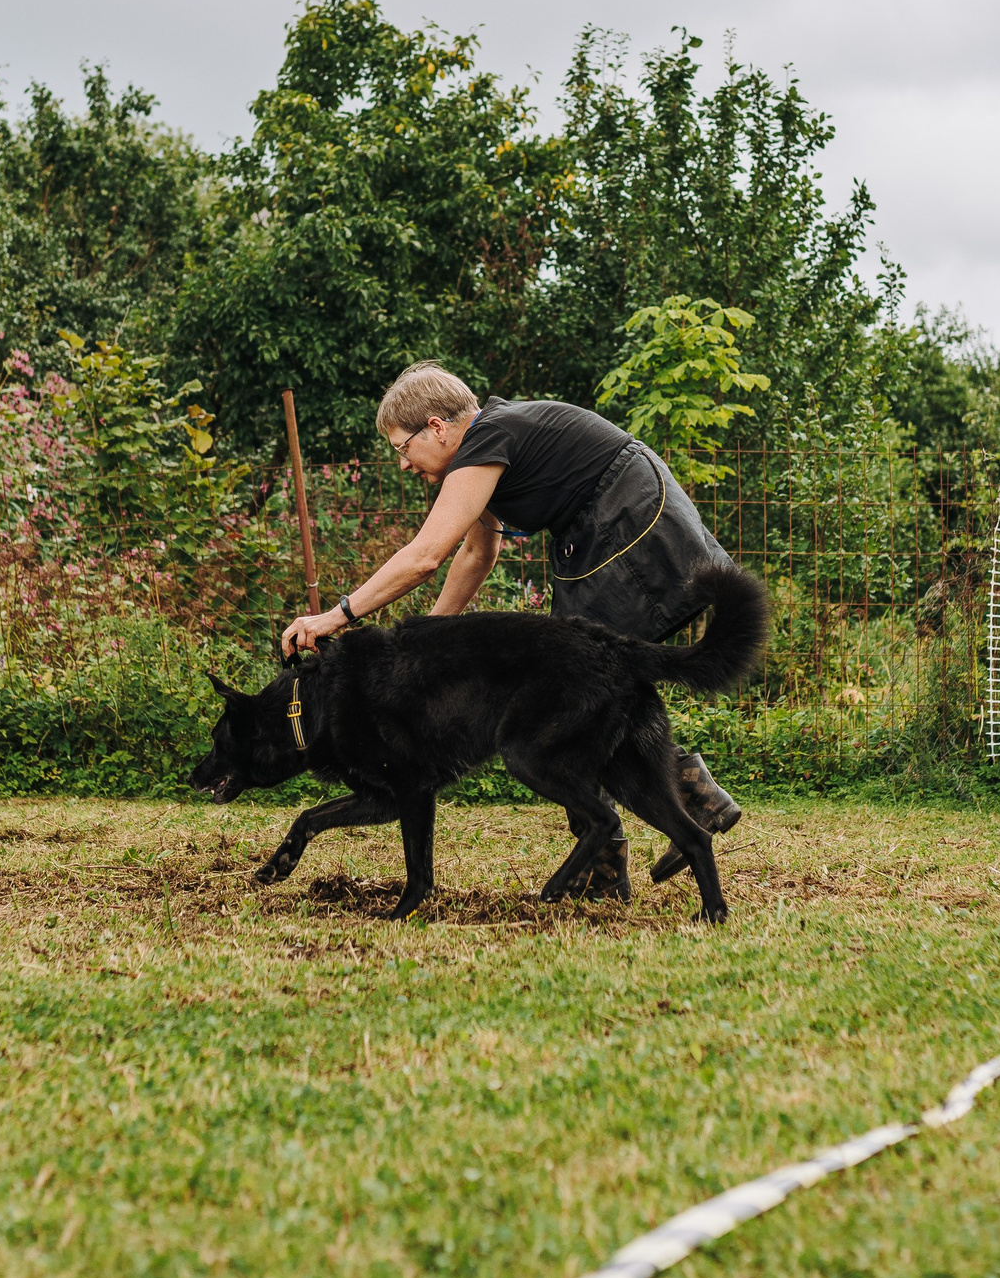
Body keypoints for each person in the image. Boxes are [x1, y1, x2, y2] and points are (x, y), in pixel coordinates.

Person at [278, 362, 745, 890]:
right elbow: (478, 552)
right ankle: (639, 838)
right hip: (608, 528)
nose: (405, 465)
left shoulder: (486, 438)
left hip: (628, 524)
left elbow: (427, 555)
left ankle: (670, 813)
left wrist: (335, 615)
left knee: (577, 687)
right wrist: (426, 645)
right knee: (581, 690)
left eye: (402, 448)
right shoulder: (487, 446)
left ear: (436, 427)